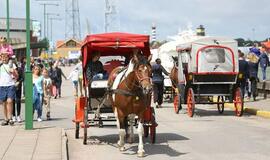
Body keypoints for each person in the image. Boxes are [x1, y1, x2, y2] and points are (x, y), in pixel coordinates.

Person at [0, 37, 18, 125]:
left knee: (10, 101)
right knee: (3, 102)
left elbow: (17, 76)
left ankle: (10, 118)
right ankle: (6, 119)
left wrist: (13, 72)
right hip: (2, 85)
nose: (2, 43)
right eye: (2, 57)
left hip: (10, 85)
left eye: (3, 42)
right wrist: (2, 53)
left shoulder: (9, 47)